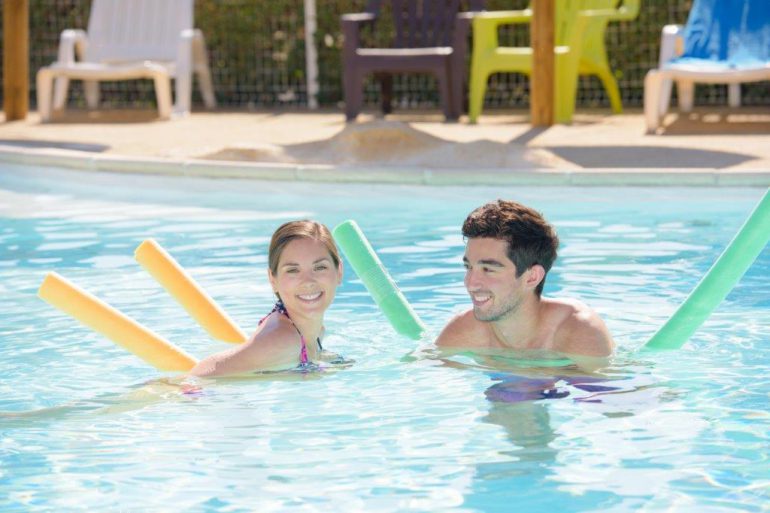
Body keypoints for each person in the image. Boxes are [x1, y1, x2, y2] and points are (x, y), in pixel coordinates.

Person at [436, 200, 613, 359]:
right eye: (469, 267)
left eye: (488, 269)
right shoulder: (464, 331)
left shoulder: (577, 331)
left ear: (532, 277)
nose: (470, 283)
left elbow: (608, 391)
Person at [190, 220, 343, 377]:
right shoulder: (283, 341)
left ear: (339, 271)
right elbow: (198, 375)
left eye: (319, 267)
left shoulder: (316, 331)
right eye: (292, 270)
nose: (308, 281)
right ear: (273, 279)